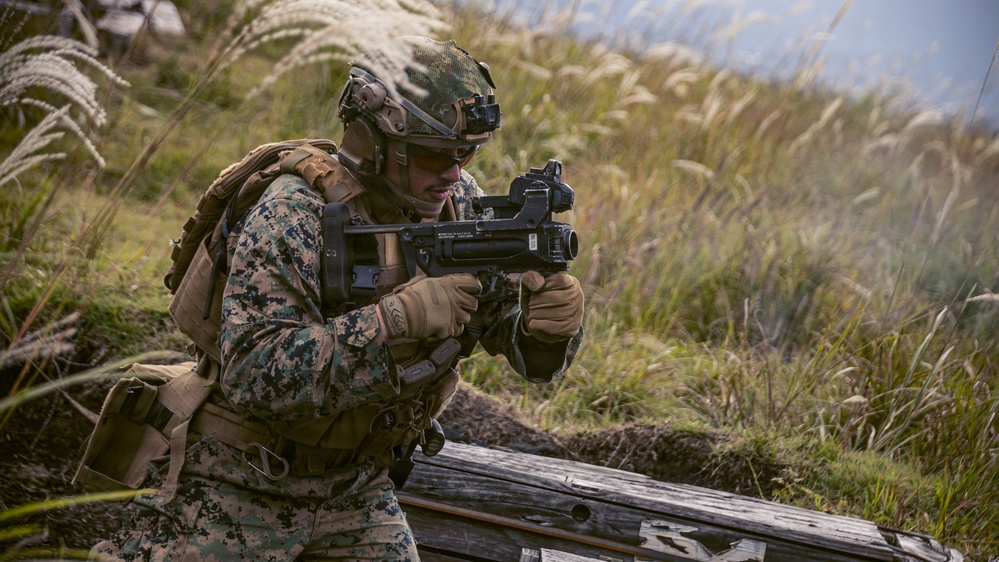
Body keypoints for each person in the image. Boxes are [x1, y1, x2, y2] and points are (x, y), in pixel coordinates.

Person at [91, 36, 584, 561]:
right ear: (374, 142)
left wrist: (543, 329)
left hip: (357, 487)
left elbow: (513, 337)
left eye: (465, 154)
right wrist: (396, 320)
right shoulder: (291, 215)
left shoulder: (454, 205)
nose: (454, 172)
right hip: (239, 479)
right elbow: (256, 376)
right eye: (434, 155)